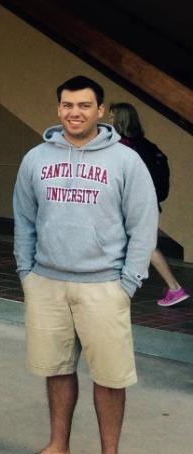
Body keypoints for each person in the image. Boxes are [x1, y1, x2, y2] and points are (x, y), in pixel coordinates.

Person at [13, 76, 158, 454]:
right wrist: (27, 273)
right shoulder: (36, 158)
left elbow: (143, 225)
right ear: (58, 109)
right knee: (57, 369)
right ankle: (58, 448)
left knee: (110, 376)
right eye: (66, 105)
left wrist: (127, 283)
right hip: (48, 282)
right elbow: (23, 218)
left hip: (104, 285)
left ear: (100, 110)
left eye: (83, 105)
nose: (74, 112)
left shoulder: (126, 161)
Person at [108, 102, 188, 307]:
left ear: (120, 120)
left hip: (130, 203)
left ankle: (174, 288)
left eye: (111, 117)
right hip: (146, 202)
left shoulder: (121, 146)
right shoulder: (144, 144)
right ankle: (172, 288)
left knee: (144, 246)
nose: (107, 120)